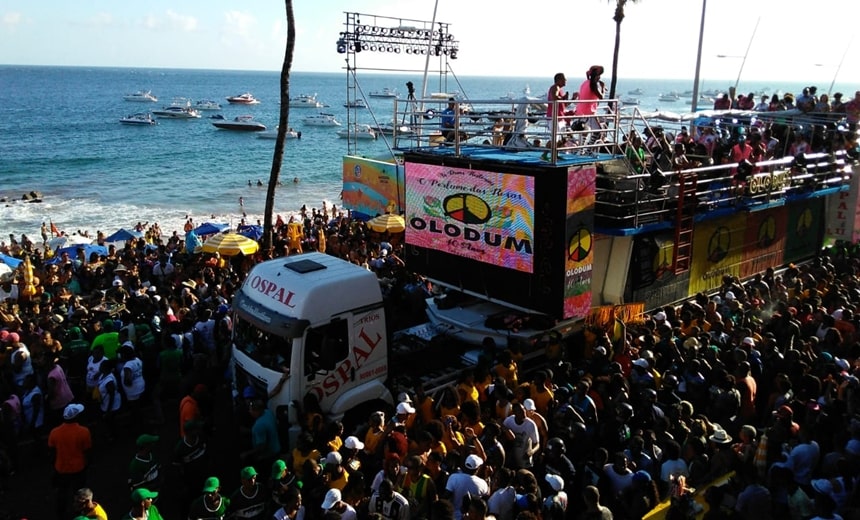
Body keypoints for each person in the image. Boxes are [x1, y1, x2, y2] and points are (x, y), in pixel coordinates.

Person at [48, 403, 91, 518]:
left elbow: (52, 452)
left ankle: (60, 514)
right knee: (79, 492)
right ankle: (80, 513)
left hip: (61, 468)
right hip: (79, 467)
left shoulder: (54, 432)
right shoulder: (84, 431)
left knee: (62, 492)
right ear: (76, 416)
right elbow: (86, 450)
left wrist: (54, 468)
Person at [574, 65, 606, 143]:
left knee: (585, 131)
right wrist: (603, 88)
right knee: (598, 131)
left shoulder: (585, 83)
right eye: (599, 75)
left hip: (581, 111)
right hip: (589, 112)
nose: (600, 78)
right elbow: (601, 97)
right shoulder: (593, 85)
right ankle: (588, 149)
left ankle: (581, 150)